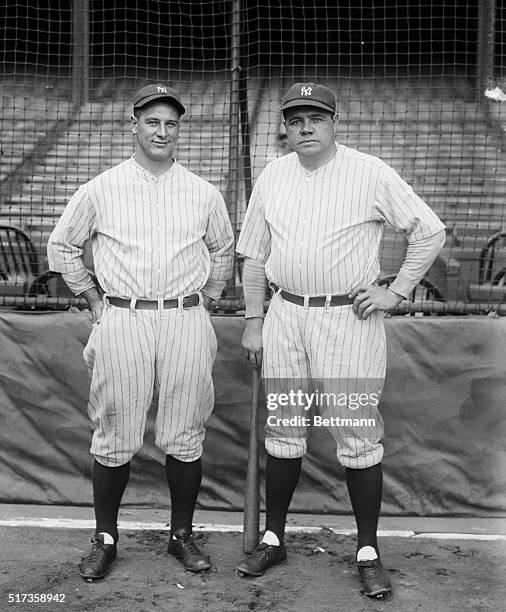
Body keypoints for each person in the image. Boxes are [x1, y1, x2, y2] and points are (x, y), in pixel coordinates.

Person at [235, 82, 446, 598]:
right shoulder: (273, 175)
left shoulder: (369, 172)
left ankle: (368, 549)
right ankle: (273, 537)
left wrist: (395, 291)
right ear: (284, 126)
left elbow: (429, 231)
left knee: (354, 431)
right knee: (284, 427)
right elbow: (255, 256)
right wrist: (255, 318)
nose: (305, 126)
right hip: (286, 315)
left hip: (346, 319)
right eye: (296, 118)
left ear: (334, 123)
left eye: (316, 117)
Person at [47, 83, 234, 581]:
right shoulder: (101, 187)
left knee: (185, 433)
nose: (162, 130)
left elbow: (223, 249)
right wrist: (91, 297)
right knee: (114, 433)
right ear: (134, 126)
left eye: (171, 123)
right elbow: (62, 246)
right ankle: (105, 539)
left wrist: (209, 300)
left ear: (179, 130)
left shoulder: (202, 191)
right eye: (152, 121)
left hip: (184, 317)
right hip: (123, 315)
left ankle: (181, 536)